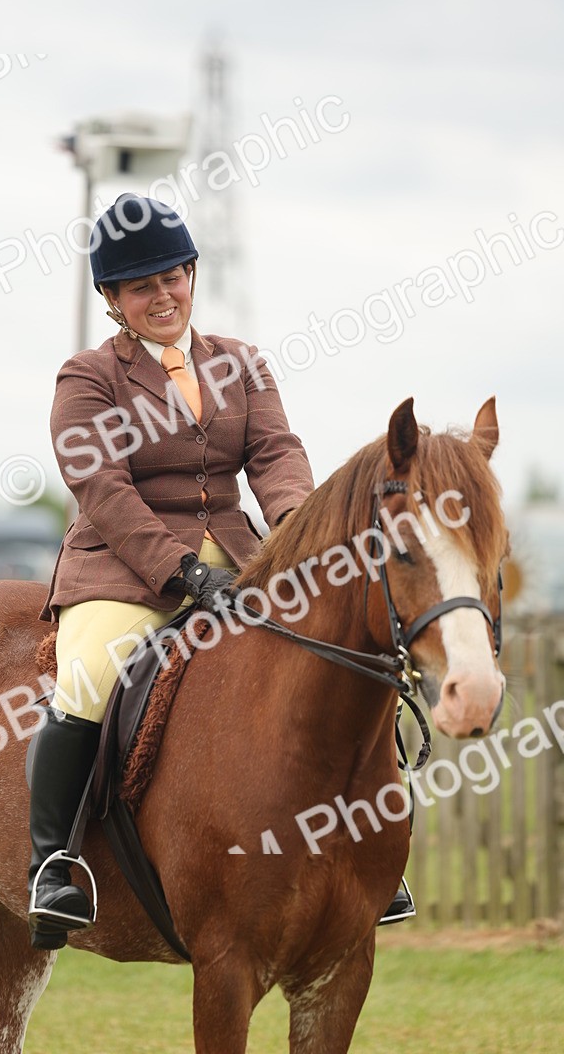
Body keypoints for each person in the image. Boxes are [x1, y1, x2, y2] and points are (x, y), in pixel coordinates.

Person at [27, 194, 413, 949]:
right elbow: (103, 491)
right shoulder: (87, 378)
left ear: (192, 273)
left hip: (243, 558)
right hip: (124, 572)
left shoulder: (241, 363)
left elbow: (274, 452)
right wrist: (178, 571)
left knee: (343, 657)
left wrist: (302, 537)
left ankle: (372, 852)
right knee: (89, 676)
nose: (161, 296)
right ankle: (56, 863)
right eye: (140, 287)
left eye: (171, 277)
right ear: (113, 301)